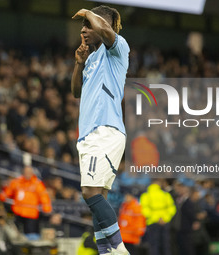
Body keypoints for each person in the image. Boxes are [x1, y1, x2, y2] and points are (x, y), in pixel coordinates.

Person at [71, 5, 130, 255]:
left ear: (100, 25)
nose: (83, 30)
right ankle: (106, 251)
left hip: (105, 130)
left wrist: (89, 13)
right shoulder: (93, 58)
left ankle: (118, 248)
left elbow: (106, 29)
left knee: (89, 192)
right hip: (89, 135)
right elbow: (76, 92)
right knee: (99, 199)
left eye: (88, 26)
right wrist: (79, 64)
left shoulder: (117, 50)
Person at [0, 166, 52, 238]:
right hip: (18, 213)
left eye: (29, 172)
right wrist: (2, 197)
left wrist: (47, 209)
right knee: (16, 234)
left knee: (30, 234)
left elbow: (44, 196)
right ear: (23, 173)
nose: (27, 174)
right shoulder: (16, 182)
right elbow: (7, 193)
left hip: (31, 214)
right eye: (26, 172)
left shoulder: (37, 184)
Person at [140, 179, 176, 255]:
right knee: (166, 245)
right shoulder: (166, 195)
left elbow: (144, 210)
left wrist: (156, 218)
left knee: (153, 246)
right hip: (164, 223)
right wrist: (165, 218)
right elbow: (172, 208)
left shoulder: (146, 195)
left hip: (152, 223)